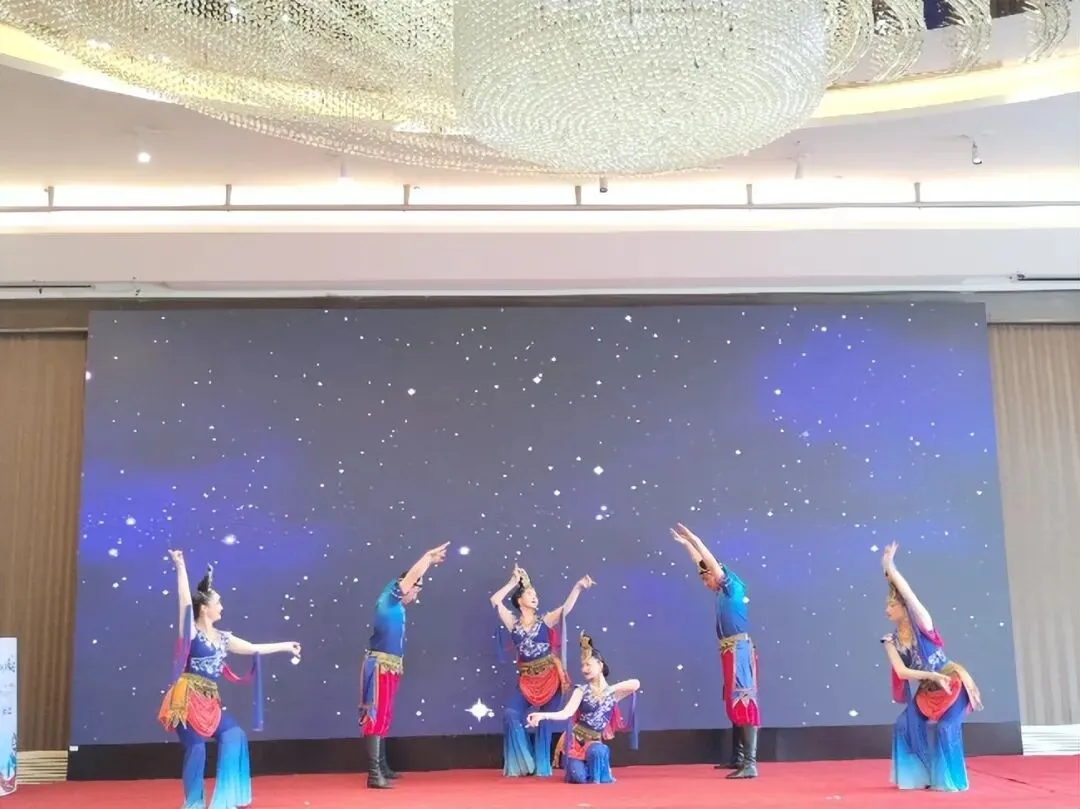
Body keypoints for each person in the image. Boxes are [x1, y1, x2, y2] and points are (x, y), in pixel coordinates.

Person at [158, 550, 301, 809]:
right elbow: (184, 602)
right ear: (204, 608)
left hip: (209, 704)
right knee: (196, 749)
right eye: (218, 602)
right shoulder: (191, 633)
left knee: (234, 734)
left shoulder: (223, 638)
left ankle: (225, 799)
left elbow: (253, 648)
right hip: (187, 702)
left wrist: (285, 646)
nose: (222, 607)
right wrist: (180, 567)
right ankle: (193, 804)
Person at [881, 542, 983, 792]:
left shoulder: (923, 625)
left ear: (903, 606)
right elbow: (903, 672)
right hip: (929, 686)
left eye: (892, 605)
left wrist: (889, 567)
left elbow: (909, 594)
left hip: (952, 683)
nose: (887, 610)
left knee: (946, 728)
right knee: (905, 723)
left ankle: (951, 780)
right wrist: (931, 676)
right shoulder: (890, 640)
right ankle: (919, 775)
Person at [671, 522, 760, 778]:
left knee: (743, 699)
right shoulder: (722, 591)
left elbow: (709, 561)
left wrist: (695, 539)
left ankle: (750, 763)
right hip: (728, 650)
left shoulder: (731, 586)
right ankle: (738, 757)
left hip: (739, 650)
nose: (705, 583)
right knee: (732, 700)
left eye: (706, 578)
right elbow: (702, 562)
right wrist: (687, 546)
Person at [360, 542, 450, 789]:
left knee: (385, 714)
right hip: (379, 665)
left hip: (390, 666)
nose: (415, 595)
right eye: (415, 589)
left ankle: (382, 766)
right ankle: (373, 774)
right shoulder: (389, 598)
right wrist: (427, 558)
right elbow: (410, 577)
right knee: (375, 714)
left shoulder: (397, 607)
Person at [490, 565, 595, 776]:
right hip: (527, 680)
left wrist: (578, 587)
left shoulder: (544, 621)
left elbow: (565, 609)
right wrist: (512, 583)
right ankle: (524, 763)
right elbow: (495, 600)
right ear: (519, 600)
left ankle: (542, 767)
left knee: (544, 723)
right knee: (511, 713)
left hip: (550, 678)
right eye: (530, 594)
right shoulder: (513, 624)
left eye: (535, 595)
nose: (535, 597)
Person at [526, 632, 640, 784]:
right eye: (583, 665)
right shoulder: (581, 690)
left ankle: (597, 767)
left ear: (600, 665)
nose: (584, 669)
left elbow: (635, 684)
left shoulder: (612, 695)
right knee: (579, 777)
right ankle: (586, 767)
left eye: (588, 665)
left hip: (594, 742)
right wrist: (542, 716)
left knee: (598, 751)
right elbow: (566, 713)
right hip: (576, 741)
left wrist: (609, 690)